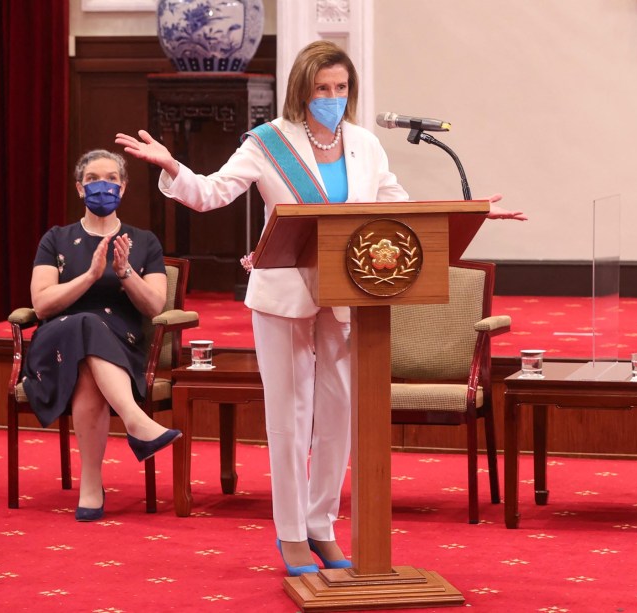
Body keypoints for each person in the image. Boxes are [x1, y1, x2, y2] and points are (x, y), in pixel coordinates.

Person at [116, 40, 524, 575]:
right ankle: (288, 534)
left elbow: (396, 207)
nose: (333, 97)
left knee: (338, 417)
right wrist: (172, 166)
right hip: (284, 294)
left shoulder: (364, 144)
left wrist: (464, 213)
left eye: (341, 88)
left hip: (350, 296)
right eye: (323, 89)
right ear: (302, 90)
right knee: (290, 417)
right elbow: (212, 192)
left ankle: (320, 524)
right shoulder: (268, 142)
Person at [23, 149, 183, 522]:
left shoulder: (143, 242)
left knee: (89, 362)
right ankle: (135, 422)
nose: (102, 186)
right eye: (93, 180)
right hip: (56, 344)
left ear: (123, 187)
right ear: (80, 188)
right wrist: (90, 277)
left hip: (119, 347)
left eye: (111, 179)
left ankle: (91, 484)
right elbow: (42, 305)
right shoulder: (56, 239)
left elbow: (155, 307)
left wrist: (125, 272)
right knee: (84, 324)